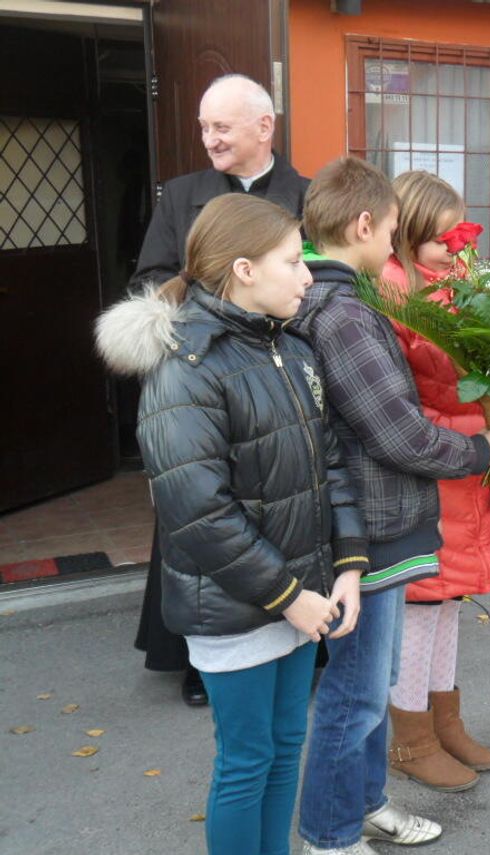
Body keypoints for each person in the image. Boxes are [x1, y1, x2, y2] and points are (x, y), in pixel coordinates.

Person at [95, 193, 367, 855]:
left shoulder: (289, 348)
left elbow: (328, 462)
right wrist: (288, 595)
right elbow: (198, 512)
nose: (308, 273)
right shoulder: (185, 368)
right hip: (238, 603)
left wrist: (349, 566)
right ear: (244, 269)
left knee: (285, 748)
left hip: (301, 597)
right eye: (290, 259)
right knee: (247, 761)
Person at [292, 157, 490, 854]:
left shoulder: (348, 303)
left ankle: (365, 802)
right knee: (356, 692)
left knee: (371, 680)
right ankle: (331, 833)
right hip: (371, 522)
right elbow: (397, 432)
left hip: (379, 519)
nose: (394, 242)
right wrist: (486, 448)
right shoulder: (348, 315)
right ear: (363, 225)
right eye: (392, 229)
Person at [130, 73, 311, 707]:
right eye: (204, 127)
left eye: (222, 126)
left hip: (280, 370)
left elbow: (321, 280)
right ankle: (194, 657)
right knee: (203, 508)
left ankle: (298, 634)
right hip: (208, 368)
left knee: (287, 501)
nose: (209, 138)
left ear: (265, 127)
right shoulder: (182, 195)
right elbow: (151, 275)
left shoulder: (305, 194)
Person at [380, 170, 490, 793]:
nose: (454, 249)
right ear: (407, 234)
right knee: (421, 608)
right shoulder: (393, 295)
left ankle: (446, 723)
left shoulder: (465, 288)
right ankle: (411, 741)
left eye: (458, 238)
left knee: (449, 606)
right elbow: (402, 408)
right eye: (439, 240)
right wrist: (480, 436)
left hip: (469, 472)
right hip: (434, 474)